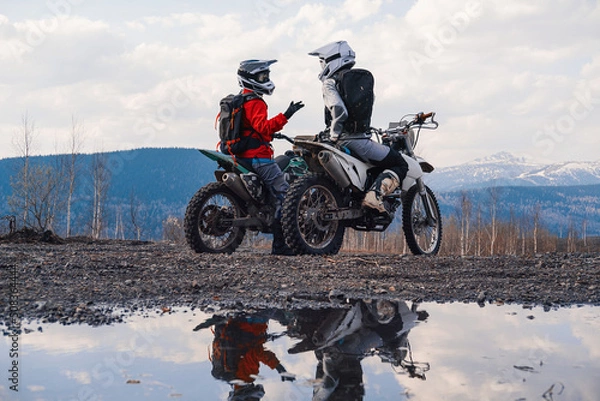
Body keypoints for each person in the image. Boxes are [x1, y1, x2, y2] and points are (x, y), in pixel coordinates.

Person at [308, 41, 409, 215]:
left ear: (333, 59)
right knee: (400, 163)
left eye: (322, 61)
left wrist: (334, 134)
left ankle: (371, 195)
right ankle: (374, 196)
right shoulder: (360, 81)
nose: (322, 66)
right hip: (360, 142)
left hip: (339, 140)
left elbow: (338, 109)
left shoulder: (330, 83)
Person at [234, 59, 304, 255]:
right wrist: (287, 115)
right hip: (259, 157)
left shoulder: (239, 100)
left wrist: (267, 134)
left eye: (266, 75)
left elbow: (252, 129)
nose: (266, 79)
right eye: (262, 76)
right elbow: (263, 127)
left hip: (240, 156)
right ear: (250, 78)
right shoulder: (255, 102)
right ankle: (281, 245)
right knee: (286, 195)